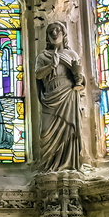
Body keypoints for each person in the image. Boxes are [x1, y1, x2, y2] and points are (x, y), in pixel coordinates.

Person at [35, 22, 85, 171]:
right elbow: (38, 74)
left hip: (69, 96)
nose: (54, 33)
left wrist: (78, 76)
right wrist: (51, 65)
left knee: (70, 130)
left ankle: (69, 165)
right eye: (51, 31)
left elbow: (80, 80)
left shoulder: (72, 55)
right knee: (46, 132)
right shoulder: (43, 56)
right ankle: (49, 165)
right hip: (50, 97)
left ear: (64, 35)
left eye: (58, 30)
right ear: (47, 37)